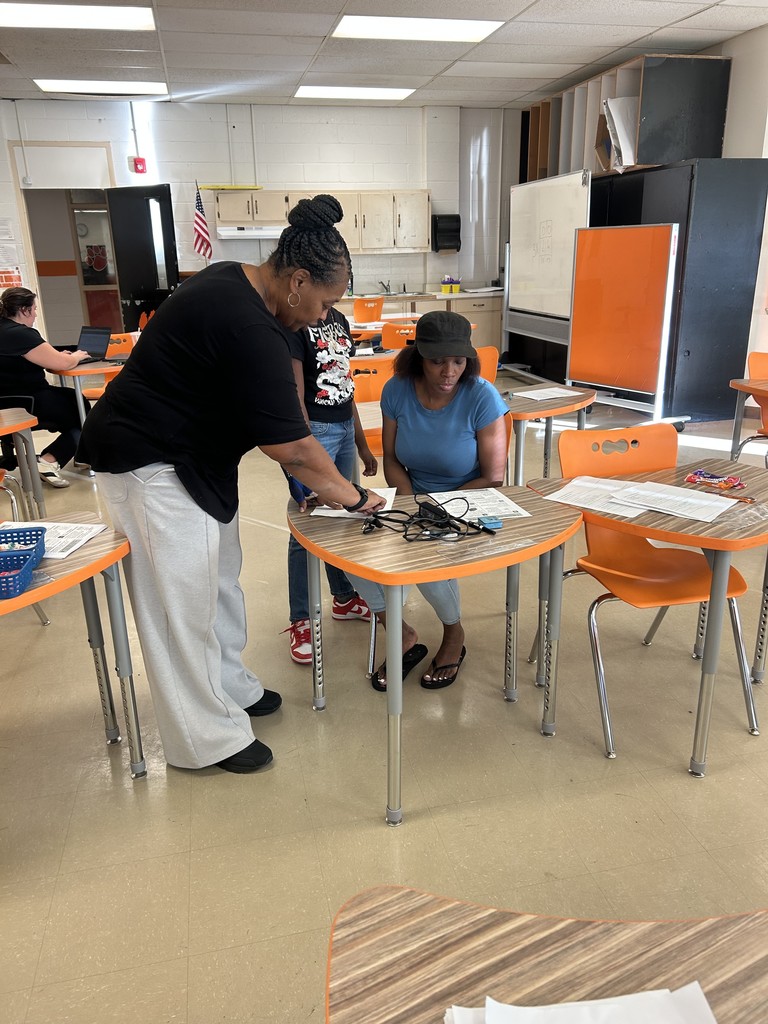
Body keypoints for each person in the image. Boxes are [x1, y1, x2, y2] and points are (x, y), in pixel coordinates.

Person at [77, 194, 385, 775]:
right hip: (148, 460)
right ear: (297, 280)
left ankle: (229, 686)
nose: (323, 317)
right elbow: (291, 444)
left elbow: (274, 426)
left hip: (197, 459)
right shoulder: (250, 324)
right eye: (325, 302)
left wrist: (320, 481)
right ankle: (203, 738)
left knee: (218, 580)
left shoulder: (235, 283)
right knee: (180, 603)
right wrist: (356, 498)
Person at [347, 310, 508, 691]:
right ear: (418, 356)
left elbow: (494, 476)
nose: (449, 371)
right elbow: (391, 457)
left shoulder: (481, 396)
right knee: (352, 550)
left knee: (426, 554)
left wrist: (436, 508)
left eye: (458, 360)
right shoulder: (398, 389)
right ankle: (400, 631)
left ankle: (454, 632)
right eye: (437, 361)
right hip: (412, 493)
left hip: (467, 498)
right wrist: (410, 502)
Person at [285, 306, 378, 664]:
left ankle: (343, 597)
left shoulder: (338, 320)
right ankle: (301, 619)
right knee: (306, 529)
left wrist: (362, 444)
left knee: (344, 520)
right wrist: (305, 451)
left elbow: (345, 385)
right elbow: (296, 395)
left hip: (341, 429)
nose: (330, 302)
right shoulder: (296, 322)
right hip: (316, 434)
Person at [0, 287, 91, 487]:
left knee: (72, 402)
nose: (35, 314)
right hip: (30, 401)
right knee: (81, 410)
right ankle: (49, 461)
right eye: (33, 309)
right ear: (24, 310)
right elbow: (60, 364)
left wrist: (60, 357)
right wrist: (75, 356)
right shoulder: (22, 334)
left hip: (6, 401)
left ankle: (77, 454)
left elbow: (45, 358)